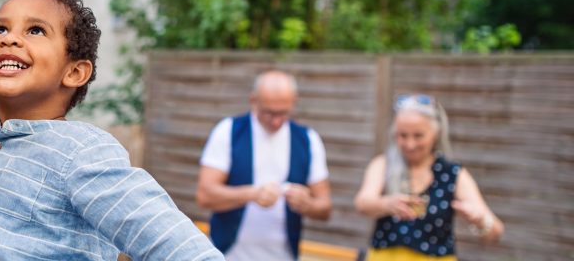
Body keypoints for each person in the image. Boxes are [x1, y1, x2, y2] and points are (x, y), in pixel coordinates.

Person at [0, 0, 223, 260]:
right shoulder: (1, 147)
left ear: (74, 73)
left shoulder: (80, 151)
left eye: (36, 30)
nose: (8, 38)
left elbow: (171, 242)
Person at [196, 70, 332, 260]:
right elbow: (205, 196)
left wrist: (307, 204)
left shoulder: (309, 140)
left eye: (282, 113)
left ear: (294, 101)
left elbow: (325, 208)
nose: (276, 121)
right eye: (269, 112)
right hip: (226, 255)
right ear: (253, 100)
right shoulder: (228, 131)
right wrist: (252, 194)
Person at [354, 94, 504, 260]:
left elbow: (496, 232)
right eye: (402, 135)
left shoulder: (453, 173)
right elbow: (362, 203)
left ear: (436, 133)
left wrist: (480, 219)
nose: (410, 145)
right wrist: (387, 203)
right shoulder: (384, 164)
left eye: (418, 136)